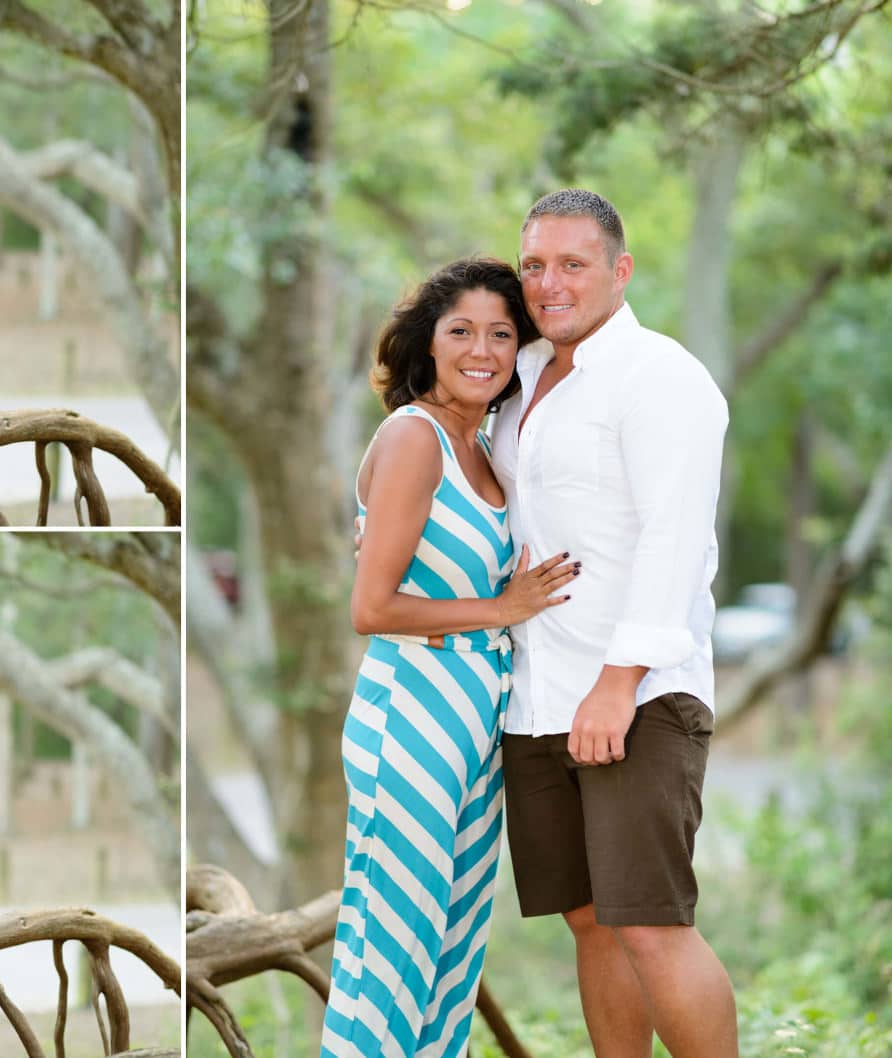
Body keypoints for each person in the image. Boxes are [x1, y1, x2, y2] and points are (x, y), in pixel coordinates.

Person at [490, 189, 736, 1058]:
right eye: (534, 265)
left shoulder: (660, 378)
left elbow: (676, 541)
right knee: (590, 921)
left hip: (635, 696)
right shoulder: (517, 384)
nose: (548, 283)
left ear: (620, 271)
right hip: (536, 698)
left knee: (649, 924)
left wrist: (618, 682)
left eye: (572, 264)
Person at [321, 258, 579, 1058]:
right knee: (392, 948)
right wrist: (501, 609)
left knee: (453, 952)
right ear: (426, 346)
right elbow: (371, 608)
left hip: (476, 719)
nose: (482, 348)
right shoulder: (413, 437)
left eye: (501, 333)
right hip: (412, 714)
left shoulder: (488, 451)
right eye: (460, 331)